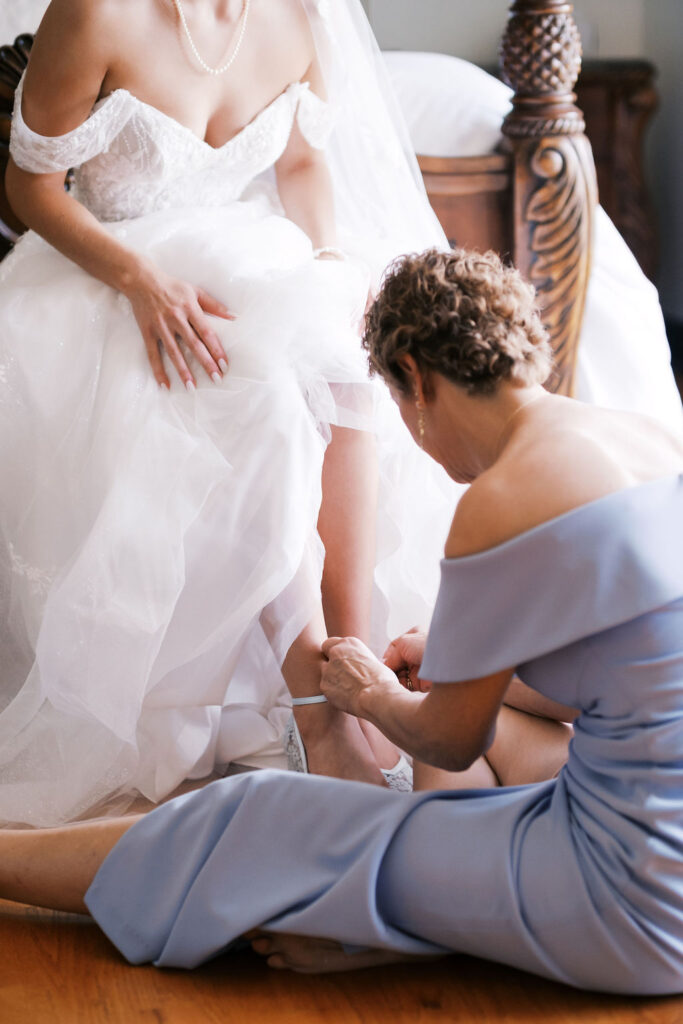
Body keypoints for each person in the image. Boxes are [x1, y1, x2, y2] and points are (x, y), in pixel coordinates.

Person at [0, 0, 681, 828]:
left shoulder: (296, 19)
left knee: (341, 363)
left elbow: (301, 167)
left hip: (244, 258)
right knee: (262, 397)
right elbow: (28, 189)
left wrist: (329, 267)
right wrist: (141, 281)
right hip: (112, 273)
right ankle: (318, 719)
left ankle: (354, 675)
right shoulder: (96, 14)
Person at [2, 247, 682, 995]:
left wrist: (368, 695)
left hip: (626, 900)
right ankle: (412, 922)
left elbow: (450, 739)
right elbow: (613, 684)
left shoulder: (500, 499)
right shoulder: (648, 440)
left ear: (415, 380)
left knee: (256, 816)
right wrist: (457, 664)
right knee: (507, 745)